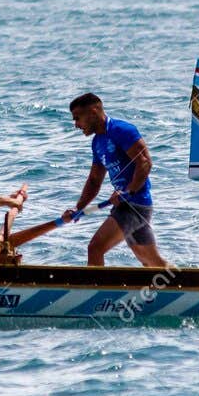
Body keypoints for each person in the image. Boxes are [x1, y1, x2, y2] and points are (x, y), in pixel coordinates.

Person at [65, 93, 168, 268]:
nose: (76, 125)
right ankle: (186, 282)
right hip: (127, 205)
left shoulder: (121, 130)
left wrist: (129, 191)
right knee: (152, 262)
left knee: (95, 248)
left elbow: (145, 163)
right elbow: (94, 180)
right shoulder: (97, 142)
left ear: (93, 112)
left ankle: (95, 286)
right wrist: (78, 208)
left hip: (134, 204)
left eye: (78, 118)